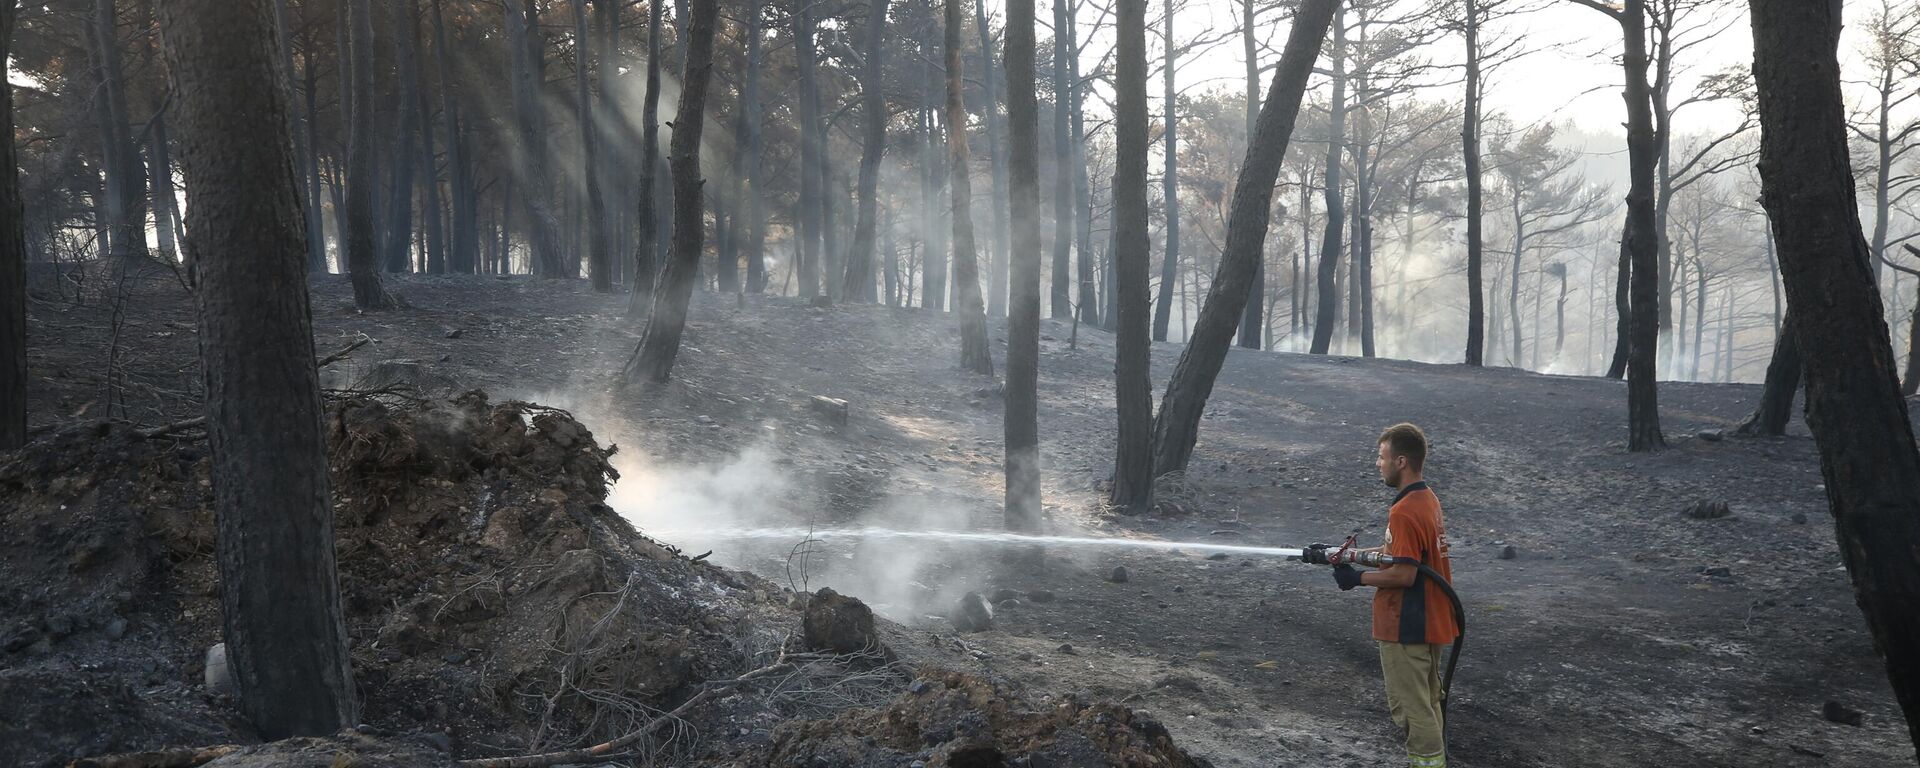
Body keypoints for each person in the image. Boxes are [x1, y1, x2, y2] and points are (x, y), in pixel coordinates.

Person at [1331, 422, 1458, 768]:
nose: (1378, 463)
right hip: (1430, 620)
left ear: (1401, 461)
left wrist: (1357, 580)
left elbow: (1404, 573)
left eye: (1381, 456)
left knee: (1412, 709)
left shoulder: (1403, 511)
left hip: (1407, 625)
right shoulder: (1425, 499)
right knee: (1429, 701)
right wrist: (1344, 555)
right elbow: (1398, 553)